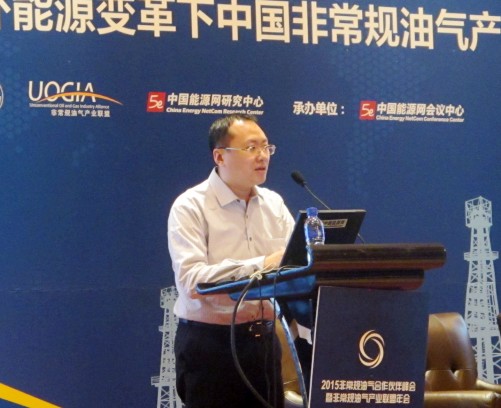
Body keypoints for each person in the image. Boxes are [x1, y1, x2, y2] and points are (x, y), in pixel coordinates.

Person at [168, 114, 295, 408]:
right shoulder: (190, 206)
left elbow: (292, 264)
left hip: (263, 343)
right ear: (220, 156)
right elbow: (192, 280)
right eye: (251, 148)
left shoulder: (274, 204)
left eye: (266, 147)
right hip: (210, 346)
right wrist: (262, 265)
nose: (263, 156)